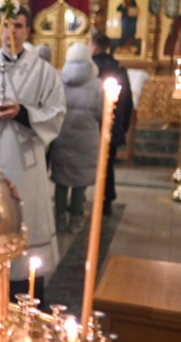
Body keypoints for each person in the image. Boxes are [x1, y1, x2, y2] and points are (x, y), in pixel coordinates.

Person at [0, 7, 66, 301]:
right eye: (6, 26)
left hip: (26, 162)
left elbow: (56, 113)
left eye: (18, 26)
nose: (12, 33)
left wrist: (23, 113)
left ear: (28, 30)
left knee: (25, 221)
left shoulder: (44, 71)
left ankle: (24, 293)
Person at [51, 42, 103, 233]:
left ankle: (59, 217)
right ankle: (75, 218)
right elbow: (102, 112)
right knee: (80, 182)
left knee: (61, 180)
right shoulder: (97, 85)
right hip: (86, 139)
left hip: (62, 136)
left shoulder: (59, 81)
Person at [90, 33, 134, 215]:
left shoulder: (90, 67)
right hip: (113, 124)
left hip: (91, 124)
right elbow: (128, 100)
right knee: (108, 164)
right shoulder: (119, 68)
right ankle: (106, 200)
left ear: (93, 46)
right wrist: (123, 127)